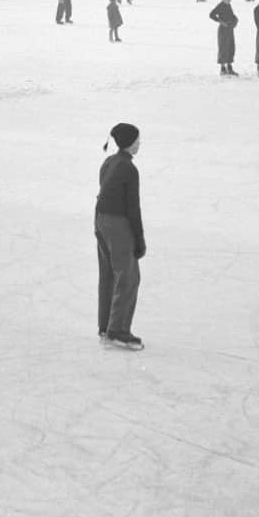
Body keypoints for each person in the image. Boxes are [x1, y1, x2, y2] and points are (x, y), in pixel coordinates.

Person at [95, 122, 146, 350]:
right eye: (136, 140)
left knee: (108, 274)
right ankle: (118, 330)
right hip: (118, 224)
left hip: (100, 220)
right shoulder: (129, 169)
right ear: (128, 142)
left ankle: (106, 326)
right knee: (128, 277)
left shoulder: (108, 162)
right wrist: (140, 241)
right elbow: (133, 208)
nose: (139, 144)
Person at [208, 0, 237, 76]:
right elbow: (211, 14)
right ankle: (223, 68)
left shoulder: (229, 5)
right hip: (223, 30)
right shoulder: (220, 5)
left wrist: (235, 20)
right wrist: (220, 21)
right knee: (223, 48)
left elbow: (232, 15)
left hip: (230, 29)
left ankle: (229, 66)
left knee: (231, 47)